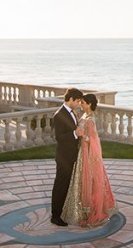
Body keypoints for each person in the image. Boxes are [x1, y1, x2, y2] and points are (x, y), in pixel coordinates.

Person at [61, 93, 118, 227]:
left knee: (88, 180)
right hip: (81, 152)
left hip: (87, 153)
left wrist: (83, 136)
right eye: (80, 102)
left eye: (83, 102)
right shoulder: (84, 115)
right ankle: (81, 209)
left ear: (90, 104)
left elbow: (93, 139)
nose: (81, 104)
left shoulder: (90, 119)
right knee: (81, 181)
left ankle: (91, 210)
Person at [50, 87, 84, 226]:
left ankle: (63, 211)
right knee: (60, 185)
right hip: (64, 157)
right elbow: (59, 138)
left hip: (71, 155)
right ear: (70, 99)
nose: (78, 104)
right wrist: (75, 134)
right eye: (77, 101)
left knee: (66, 185)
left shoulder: (72, 112)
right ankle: (55, 215)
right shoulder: (59, 115)